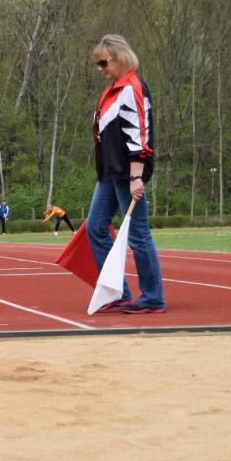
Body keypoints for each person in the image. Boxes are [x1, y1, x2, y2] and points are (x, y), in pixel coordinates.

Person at [87, 34, 165, 315]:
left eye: (104, 63)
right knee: (95, 227)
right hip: (109, 172)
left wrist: (136, 177)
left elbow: (140, 134)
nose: (100, 69)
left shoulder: (132, 88)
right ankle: (117, 291)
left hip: (127, 171)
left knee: (138, 234)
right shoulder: (112, 90)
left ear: (119, 58)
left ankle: (153, 297)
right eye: (98, 64)